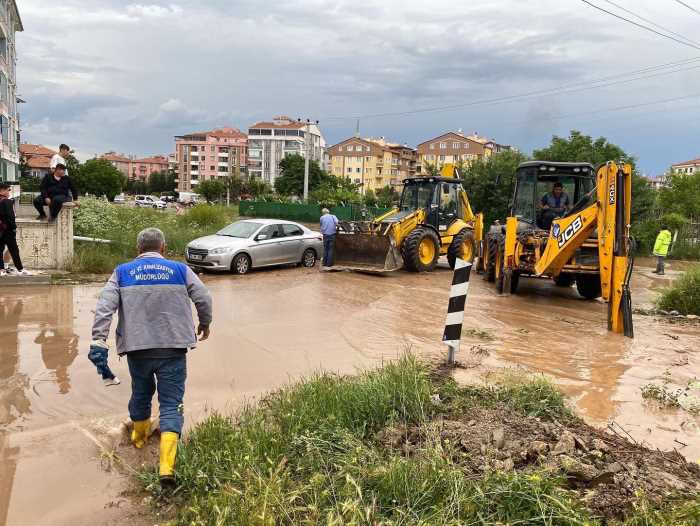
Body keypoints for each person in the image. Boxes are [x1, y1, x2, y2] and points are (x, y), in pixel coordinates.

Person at [90, 227, 212, 488]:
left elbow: (104, 307)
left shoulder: (122, 272)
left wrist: (98, 339)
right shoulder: (180, 270)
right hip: (173, 348)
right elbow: (203, 296)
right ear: (163, 248)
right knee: (171, 402)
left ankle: (139, 439)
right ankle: (167, 467)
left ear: (138, 249)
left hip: (138, 348)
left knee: (141, 394)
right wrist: (205, 324)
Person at [0, 183, 29, 276]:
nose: (9, 192)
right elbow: (10, 217)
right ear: (2, 190)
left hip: (0, 229)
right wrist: (13, 228)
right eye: (8, 190)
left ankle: (1, 270)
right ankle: (20, 269)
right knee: (14, 250)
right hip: (8, 230)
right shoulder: (7, 201)